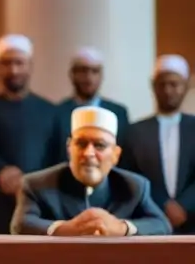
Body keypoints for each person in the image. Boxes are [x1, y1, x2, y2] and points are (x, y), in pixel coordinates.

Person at [11, 106, 170, 236]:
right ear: (69, 149)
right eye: (81, 144)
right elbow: (21, 224)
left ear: (115, 155)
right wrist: (66, 229)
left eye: (99, 145)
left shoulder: (134, 186)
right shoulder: (37, 184)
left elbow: (161, 225)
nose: (88, 153)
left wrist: (121, 228)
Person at [0, 34, 59, 233]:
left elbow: (58, 157)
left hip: (40, 203)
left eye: (19, 63)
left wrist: (32, 182)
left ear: (30, 65)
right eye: (7, 64)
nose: (13, 70)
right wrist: (1, 172)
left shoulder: (51, 111)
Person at [120, 54, 195, 234]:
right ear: (153, 87)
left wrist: (184, 205)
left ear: (186, 86)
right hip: (150, 222)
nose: (168, 90)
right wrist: (164, 204)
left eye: (174, 84)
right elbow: (130, 176)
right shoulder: (134, 132)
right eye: (162, 84)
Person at [52, 47, 130, 161]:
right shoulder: (57, 114)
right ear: (72, 74)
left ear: (101, 75)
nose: (88, 78)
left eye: (94, 71)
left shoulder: (118, 113)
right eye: (83, 71)